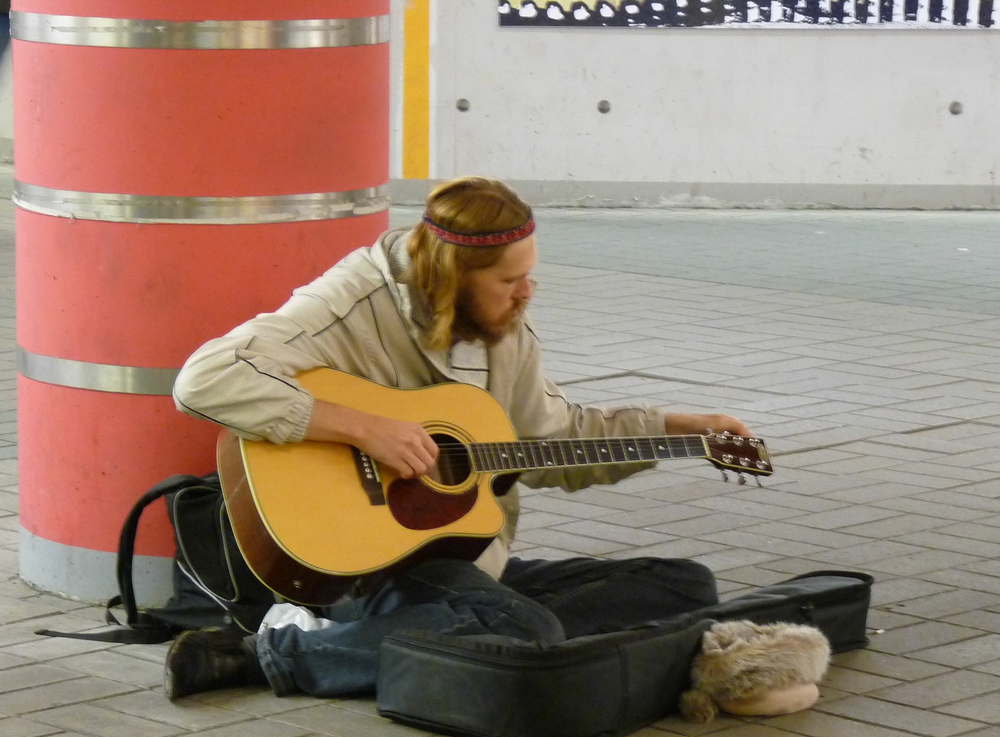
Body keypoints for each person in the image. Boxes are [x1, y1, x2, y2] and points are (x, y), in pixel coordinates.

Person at [164, 176, 752, 702]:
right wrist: (366, 429)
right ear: (451, 277)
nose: (528, 293)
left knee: (684, 585)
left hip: (463, 563)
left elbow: (558, 439)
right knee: (526, 631)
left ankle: (438, 639)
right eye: (509, 280)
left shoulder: (502, 328)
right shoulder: (351, 300)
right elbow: (205, 379)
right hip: (363, 564)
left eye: (528, 275)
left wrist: (681, 429)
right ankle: (275, 652)